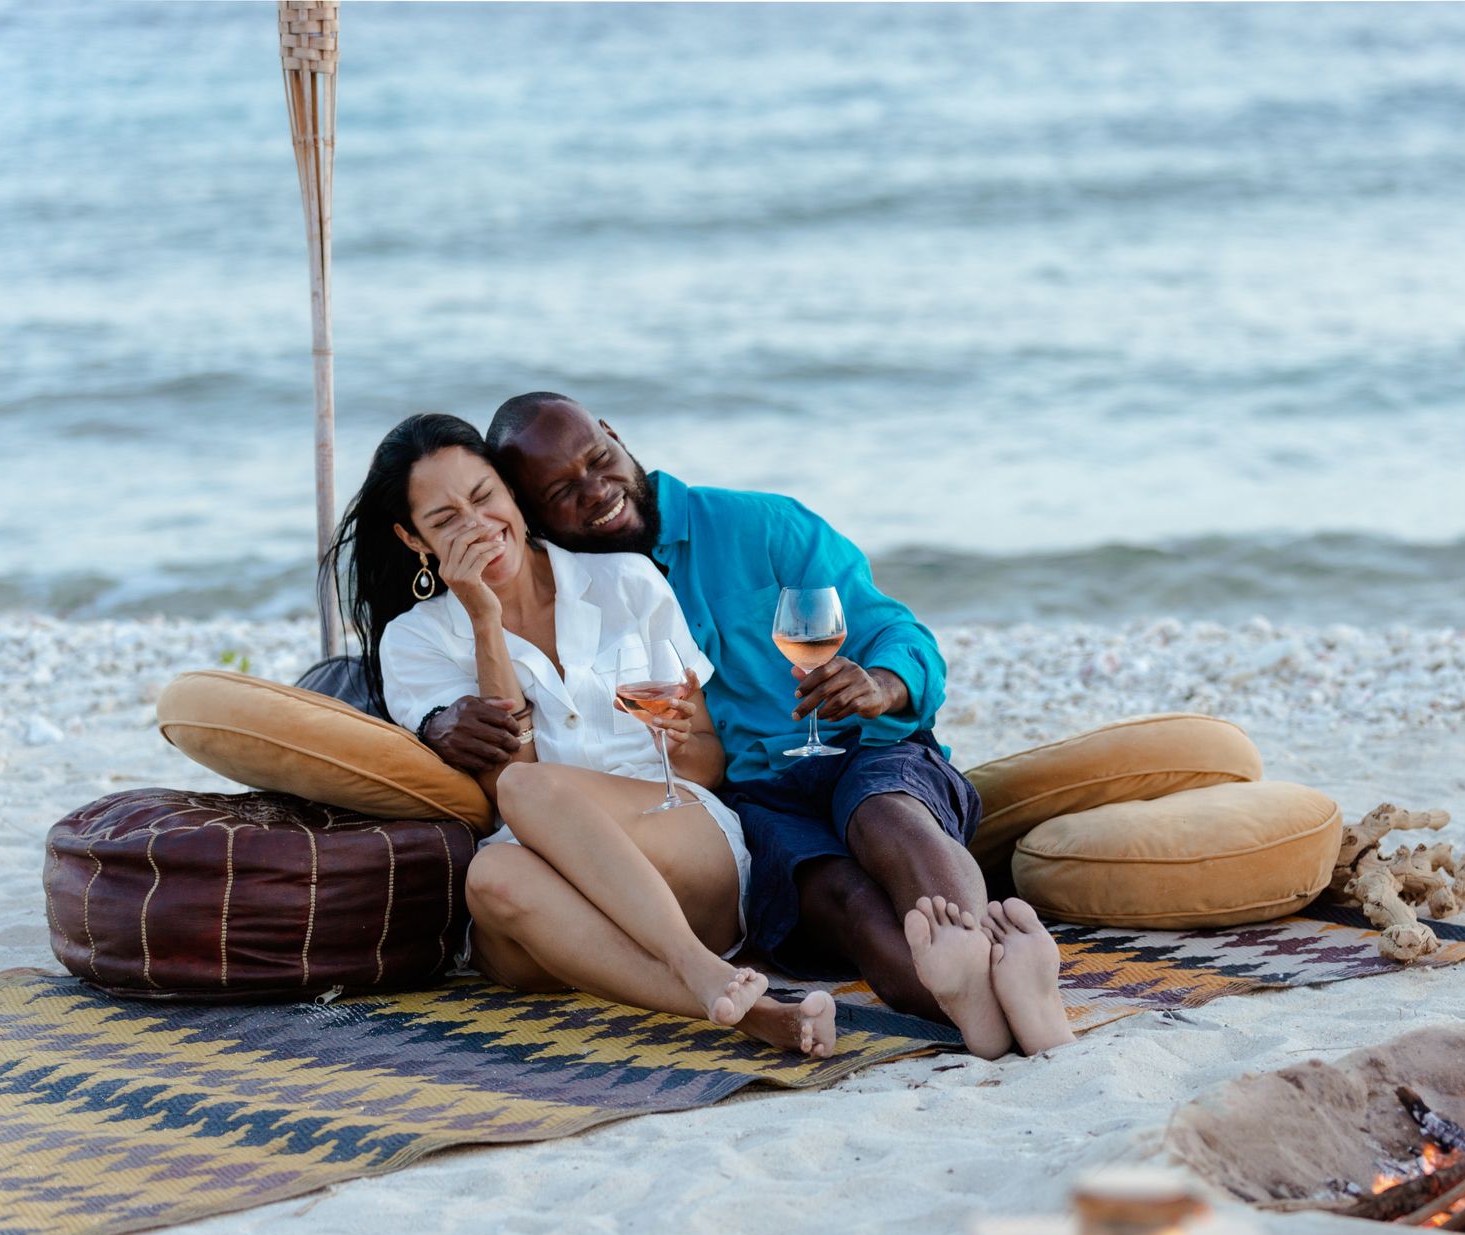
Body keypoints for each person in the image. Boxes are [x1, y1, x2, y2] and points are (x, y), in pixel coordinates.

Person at [420, 393, 1074, 1060]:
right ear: (531, 512)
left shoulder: (760, 526)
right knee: (841, 900)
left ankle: (991, 959)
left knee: (886, 815)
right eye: (562, 489)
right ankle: (975, 1003)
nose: (597, 490)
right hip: (759, 798)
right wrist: (441, 724)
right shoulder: (586, 590)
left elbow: (895, 628)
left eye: (600, 458)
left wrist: (882, 684)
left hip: (862, 746)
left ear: (616, 435)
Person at [325, 412, 836, 1059]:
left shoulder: (626, 581)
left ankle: (695, 963)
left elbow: (708, 759)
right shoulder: (416, 640)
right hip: (550, 893)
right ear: (413, 538)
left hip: (681, 845)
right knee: (491, 877)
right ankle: (746, 1009)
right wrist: (484, 619)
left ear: (509, 491)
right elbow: (496, 787)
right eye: (446, 519)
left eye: (483, 497)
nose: (478, 525)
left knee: (526, 786)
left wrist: (679, 740)